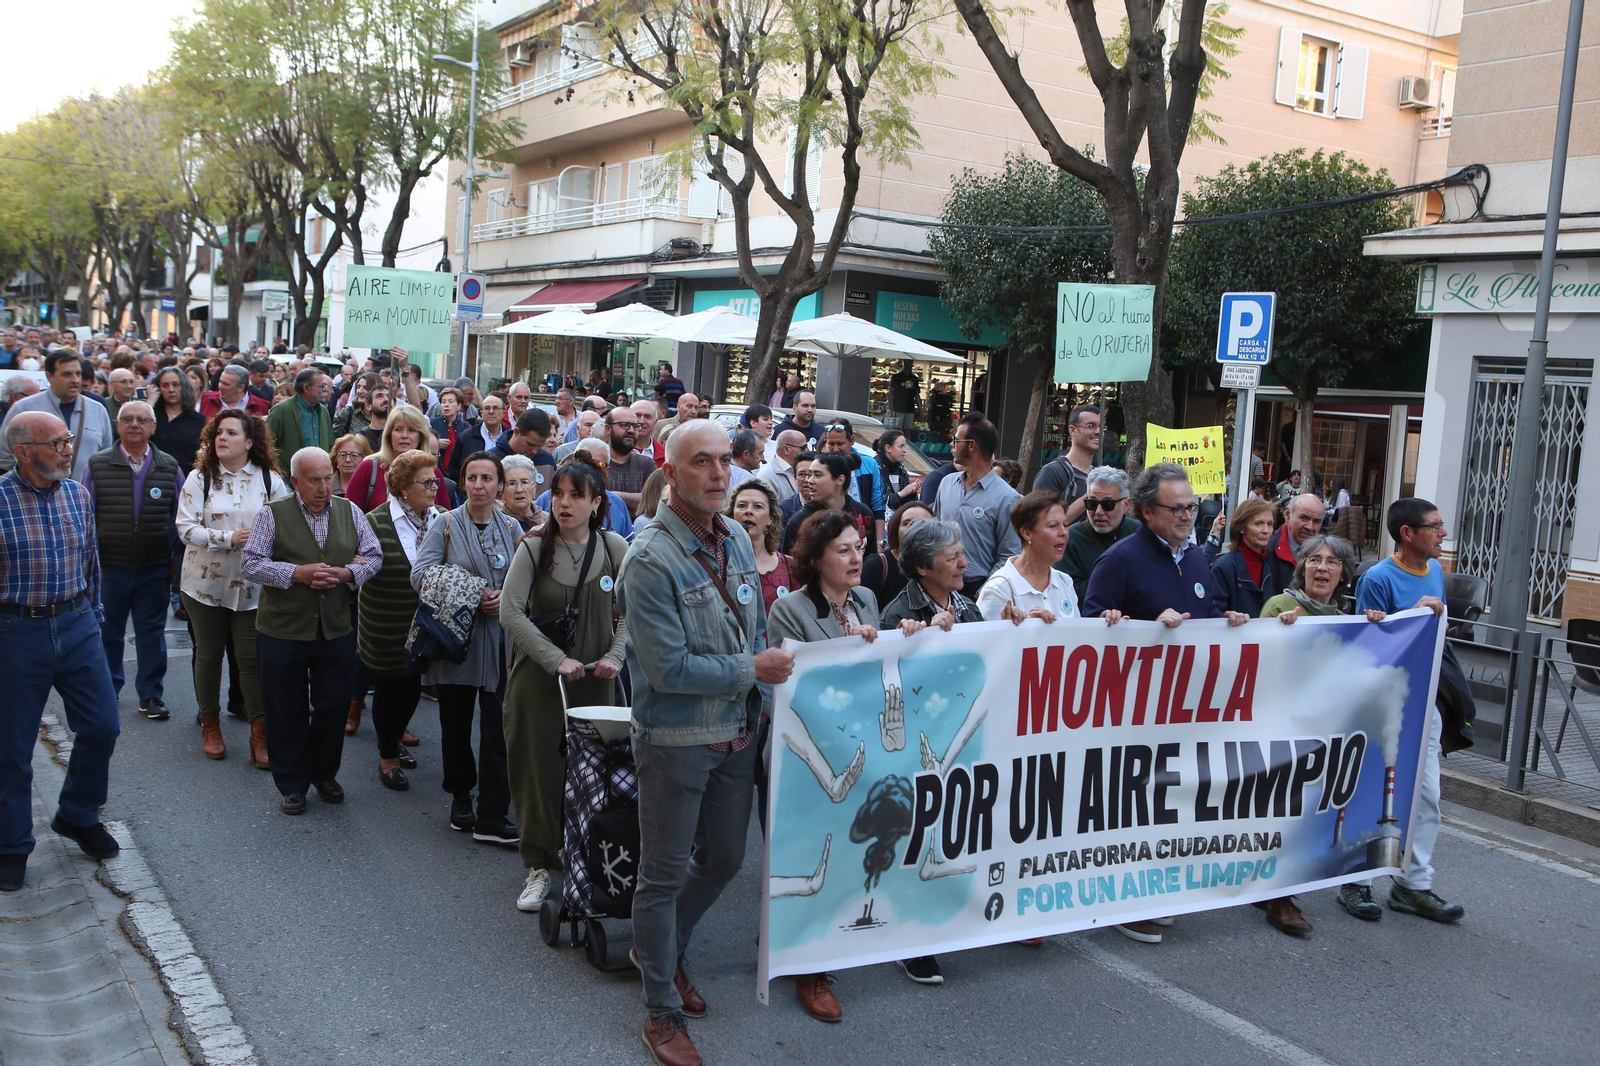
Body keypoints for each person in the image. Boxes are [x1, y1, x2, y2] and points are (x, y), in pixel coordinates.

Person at [617, 421, 793, 1064]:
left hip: (738, 730)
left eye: (726, 461)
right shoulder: (648, 557)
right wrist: (755, 671)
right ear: (669, 470)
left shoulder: (737, 542)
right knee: (661, 875)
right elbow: (668, 670)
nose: (720, 474)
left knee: (722, 859)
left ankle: (659, 946)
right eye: (702, 462)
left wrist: (768, 700)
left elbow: (749, 633)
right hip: (676, 736)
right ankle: (660, 1010)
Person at [766, 509, 929, 1018]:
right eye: (843, 549)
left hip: (857, 745)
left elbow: (876, 666)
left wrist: (900, 634)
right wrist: (847, 649)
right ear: (815, 560)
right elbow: (791, 680)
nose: (857, 557)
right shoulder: (789, 609)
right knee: (808, 851)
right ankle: (809, 972)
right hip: (807, 752)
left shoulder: (866, 599)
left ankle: (805, 943)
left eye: (860, 547)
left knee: (843, 854)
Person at [1083, 462, 1246, 945]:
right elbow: (1090, 632)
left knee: (1169, 803)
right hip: (1133, 711)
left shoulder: (1196, 558)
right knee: (1131, 805)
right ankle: (1121, 901)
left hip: (1185, 709)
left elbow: (1207, 611)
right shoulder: (1120, 560)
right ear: (1148, 511)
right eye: (1176, 509)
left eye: (1191, 507)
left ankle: (1153, 889)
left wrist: (1226, 618)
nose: (1186, 516)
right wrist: (1144, 622)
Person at [0, 412, 123, 893]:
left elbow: (91, 561)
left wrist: (93, 618)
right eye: (57, 444)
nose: (68, 450)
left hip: (76, 624)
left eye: (68, 440)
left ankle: (77, 813)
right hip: (15, 630)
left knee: (103, 725)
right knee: (11, 749)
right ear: (24, 452)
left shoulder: (77, 493)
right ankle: (10, 845)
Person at [500, 456, 629, 911]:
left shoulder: (615, 547)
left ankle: (589, 862)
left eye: (576, 495)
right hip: (539, 684)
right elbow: (510, 612)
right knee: (538, 773)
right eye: (558, 493)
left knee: (594, 777)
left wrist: (616, 654)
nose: (564, 503)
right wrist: (556, 659)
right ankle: (538, 866)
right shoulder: (533, 547)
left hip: (596, 684)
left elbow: (637, 613)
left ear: (597, 502)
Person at [1335, 497, 1463, 925]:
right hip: (1382, 706)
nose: (1443, 533)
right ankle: (1356, 880)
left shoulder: (1435, 571)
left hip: (1424, 701)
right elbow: (1371, 645)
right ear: (1407, 533)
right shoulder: (1377, 577)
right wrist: (1413, 613)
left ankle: (1414, 886)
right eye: (1435, 526)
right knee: (1372, 791)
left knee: (1427, 796)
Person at [240, 447, 382, 814]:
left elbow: (375, 555)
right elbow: (251, 563)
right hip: (282, 629)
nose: (323, 487)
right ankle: (292, 783)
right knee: (285, 707)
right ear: (295, 482)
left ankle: (324, 773)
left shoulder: (350, 511)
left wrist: (348, 574)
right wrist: (295, 573)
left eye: (327, 478)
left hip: (335, 627)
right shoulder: (272, 514)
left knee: (334, 704)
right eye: (314, 480)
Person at [411, 452, 522, 845]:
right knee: (455, 727)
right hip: (456, 641)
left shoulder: (511, 529)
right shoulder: (444, 524)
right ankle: (461, 797)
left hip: (500, 646)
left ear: (500, 485)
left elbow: (525, 581)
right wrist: (473, 593)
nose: (479, 485)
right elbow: (419, 575)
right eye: (471, 478)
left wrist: (504, 596)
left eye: (487, 478)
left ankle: (492, 813)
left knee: (498, 730)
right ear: (462, 483)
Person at [176, 409, 290, 766]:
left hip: (253, 587)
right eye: (218, 433)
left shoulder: (270, 480)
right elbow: (185, 528)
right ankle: (210, 725)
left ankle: (260, 734)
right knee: (208, 655)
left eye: (231, 433)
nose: (221, 438)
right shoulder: (200, 478)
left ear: (250, 441)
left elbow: (287, 524)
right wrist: (228, 538)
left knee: (251, 660)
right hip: (204, 584)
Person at [83, 401, 183, 721]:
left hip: (153, 566)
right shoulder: (97, 464)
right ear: (117, 425)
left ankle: (151, 695)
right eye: (127, 419)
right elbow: (85, 518)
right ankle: (108, 690)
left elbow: (181, 518)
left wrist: (176, 562)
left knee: (151, 633)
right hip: (110, 566)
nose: (135, 425)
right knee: (109, 632)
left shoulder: (169, 467)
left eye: (142, 419)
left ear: (154, 427)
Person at [358, 449, 444, 792]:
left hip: (424, 627)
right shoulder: (375, 521)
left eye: (435, 479)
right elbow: (360, 568)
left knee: (412, 689)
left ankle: (395, 738)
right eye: (427, 482)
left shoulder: (442, 519)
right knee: (390, 689)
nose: (435, 487)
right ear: (403, 488)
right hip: (385, 624)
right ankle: (387, 756)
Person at [934, 416, 1019, 598]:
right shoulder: (946, 484)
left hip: (978, 589)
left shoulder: (1007, 497)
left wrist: (984, 592)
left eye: (956, 440)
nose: (952, 444)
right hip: (940, 585)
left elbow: (1010, 555)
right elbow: (935, 532)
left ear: (972, 445)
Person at [0, 351, 115, 481]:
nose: (75, 380)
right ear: (50, 376)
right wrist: (30, 482)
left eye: (78, 374)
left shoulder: (98, 409)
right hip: (32, 496)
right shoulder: (23, 408)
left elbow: (106, 456)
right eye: (67, 374)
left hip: (83, 496)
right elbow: (5, 456)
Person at [977, 489, 1080, 624]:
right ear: (1027, 533)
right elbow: (988, 642)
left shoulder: (1065, 582)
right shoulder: (998, 589)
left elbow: (1076, 637)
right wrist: (1027, 629)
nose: (1063, 532)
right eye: (1053, 526)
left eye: (1065, 525)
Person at [345, 406, 451, 513]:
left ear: (420, 437)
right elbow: (348, 516)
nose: (404, 435)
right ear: (389, 434)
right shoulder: (368, 468)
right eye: (398, 429)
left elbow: (445, 519)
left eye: (411, 430)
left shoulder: (433, 471)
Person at [1057, 466, 1137, 604]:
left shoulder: (1141, 535)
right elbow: (1066, 596)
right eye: (1092, 503)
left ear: (1126, 505)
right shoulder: (1069, 539)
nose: (1098, 511)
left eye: (1108, 504)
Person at [783, 452, 876, 555]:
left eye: (817, 475)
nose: (809, 480)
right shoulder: (799, 522)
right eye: (810, 474)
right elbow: (789, 566)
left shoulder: (863, 513)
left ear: (840, 480)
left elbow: (870, 560)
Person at [1209, 498, 1284, 618]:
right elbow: (1212, 614)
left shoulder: (1272, 565)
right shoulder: (1224, 567)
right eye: (1258, 523)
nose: (1265, 530)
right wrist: (1226, 617)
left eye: (1269, 524)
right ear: (1242, 528)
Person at [728, 479, 791, 612]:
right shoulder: (719, 564)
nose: (749, 511)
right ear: (732, 515)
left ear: (770, 518)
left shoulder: (790, 567)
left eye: (758, 506)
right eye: (742, 505)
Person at [1032, 404, 1100, 525]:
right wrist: (1089, 497)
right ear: (1072, 430)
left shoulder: (1098, 476)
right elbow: (1043, 524)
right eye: (1091, 426)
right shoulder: (1053, 472)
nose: (1098, 431)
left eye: (1101, 427)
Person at [819, 418, 884, 538]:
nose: (835, 449)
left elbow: (878, 505)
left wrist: (879, 542)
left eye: (840, 444)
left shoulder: (869, 464)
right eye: (831, 444)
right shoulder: (820, 467)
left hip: (863, 532)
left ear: (852, 440)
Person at [861, 499, 932, 608]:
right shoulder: (876, 566)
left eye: (923, 524)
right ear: (895, 528)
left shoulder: (939, 565)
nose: (915, 529)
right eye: (908, 523)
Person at [265, 368, 333, 475]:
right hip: (289, 480)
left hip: (319, 479)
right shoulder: (281, 410)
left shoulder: (323, 411)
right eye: (321, 386)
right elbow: (266, 445)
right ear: (306, 388)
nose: (326, 390)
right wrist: (281, 477)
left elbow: (329, 444)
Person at [1262, 492, 1327, 592]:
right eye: (1304, 518)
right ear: (1288, 515)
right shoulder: (1266, 551)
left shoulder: (1328, 554)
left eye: (1316, 521)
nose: (1310, 527)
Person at [150, 366, 205, 475]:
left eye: (176, 385)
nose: (171, 390)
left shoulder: (198, 420)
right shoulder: (152, 416)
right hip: (152, 478)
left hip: (186, 478)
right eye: (165, 385)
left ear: (183, 386)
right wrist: (150, 402)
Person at [603, 406, 655, 515]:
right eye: (624, 425)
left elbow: (652, 502)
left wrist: (610, 495)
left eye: (635, 426)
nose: (631, 430)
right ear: (608, 429)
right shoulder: (594, 461)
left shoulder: (646, 464)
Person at [499, 454, 550, 534]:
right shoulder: (497, 525)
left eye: (524, 482)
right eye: (512, 483)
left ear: (534, 487)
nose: (519, 490)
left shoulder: (550, 520)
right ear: (502, 490)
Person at [200, 364, 271, 419]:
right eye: (220, 382)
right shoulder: (204, 399)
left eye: (226, 384)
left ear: (241, 387)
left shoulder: (262, 406)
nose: (220, 386)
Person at [874, 428, 921, 508]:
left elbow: (908, 506)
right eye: (901, 446)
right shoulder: (875, 469)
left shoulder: (902, 471)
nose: (904, 451)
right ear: (888, 448)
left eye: (904, 446)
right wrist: (903, 493)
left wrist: (912, 493)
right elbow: (878, 501)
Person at [430, 387, 473, 475]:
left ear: (459, 406)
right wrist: (435, 444)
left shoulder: (466, 426)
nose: (446, 405)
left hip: (457, 474)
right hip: (435, 472)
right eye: (443, 402)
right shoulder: (431, 424)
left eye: (450, 401)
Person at [758, 428, 805, 501]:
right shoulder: (767, 475)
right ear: (786, 449)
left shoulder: (799, 469)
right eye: (803, 448)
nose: (806, 451)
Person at [631, 399, 665, 468]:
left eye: (647, 417)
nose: (641, 421)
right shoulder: (615, 452)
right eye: (637, 416)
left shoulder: (665, 455)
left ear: (655, 422)